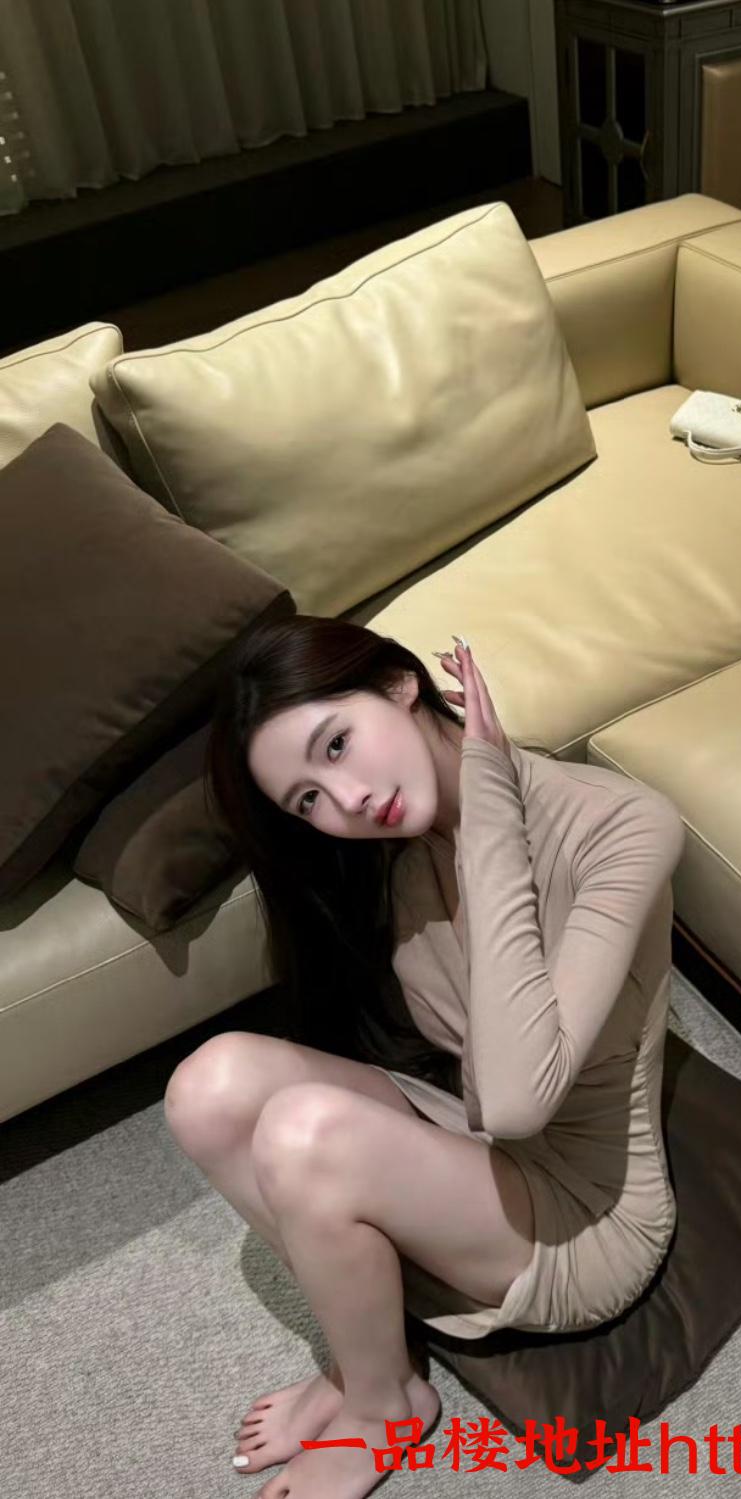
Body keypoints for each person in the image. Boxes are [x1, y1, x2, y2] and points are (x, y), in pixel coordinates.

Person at [163, 613, 686, 1493]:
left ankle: (384, 1408)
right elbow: (479, 1092)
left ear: (400, 684)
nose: (346, 800)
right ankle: (369, 1355)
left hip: (586, 1218)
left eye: (337, 745)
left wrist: (488, 808)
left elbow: (517, 1101)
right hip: (486, 1151)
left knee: (303, 1132)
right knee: (205, 1087)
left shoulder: (623, 824)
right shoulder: (407, 870)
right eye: (308, 799)